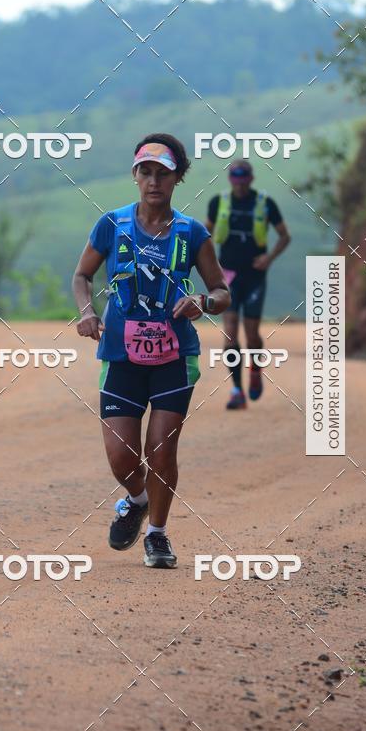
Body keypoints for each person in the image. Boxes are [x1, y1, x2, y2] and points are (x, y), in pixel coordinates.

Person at [73, 134, 230, 569]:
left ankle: (157, 534)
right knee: (121, 457)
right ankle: (138, 501)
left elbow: (222, 291)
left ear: (178, 178)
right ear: (135, 175)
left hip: (174, 358)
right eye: (146, 172)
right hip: (120, 356)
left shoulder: (192, 233)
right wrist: (86, 312)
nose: (154, 181)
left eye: (163, 173)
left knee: (161, 449)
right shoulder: (112, 225)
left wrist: (204, 302)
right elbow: (82, 275)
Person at [205, 159, 291, 409]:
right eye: (235, 176)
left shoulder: (265, 203)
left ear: (251, 178)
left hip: (254, 276)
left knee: (252, 334)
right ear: (230, 178)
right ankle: (236, 390)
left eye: (244, 177)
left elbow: (284, 236)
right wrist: (210, 265)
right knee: (230, 332)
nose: (240, 182)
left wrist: (269, 258)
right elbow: (204, 236)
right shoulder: (218, 202)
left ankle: (255, 368)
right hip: (228, 276)